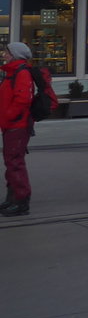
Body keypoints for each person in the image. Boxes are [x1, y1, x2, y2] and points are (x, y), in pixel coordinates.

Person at [1, 41, 37, 216]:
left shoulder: (21, 73)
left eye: (7, 52)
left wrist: (8, 117)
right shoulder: (13, 72)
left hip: (17, 125)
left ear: (15, 55)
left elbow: (22, 100)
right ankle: (12, 198)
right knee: (11, 162)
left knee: (15, 162)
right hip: (11, 125)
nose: (4, 55)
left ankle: (21, 202)